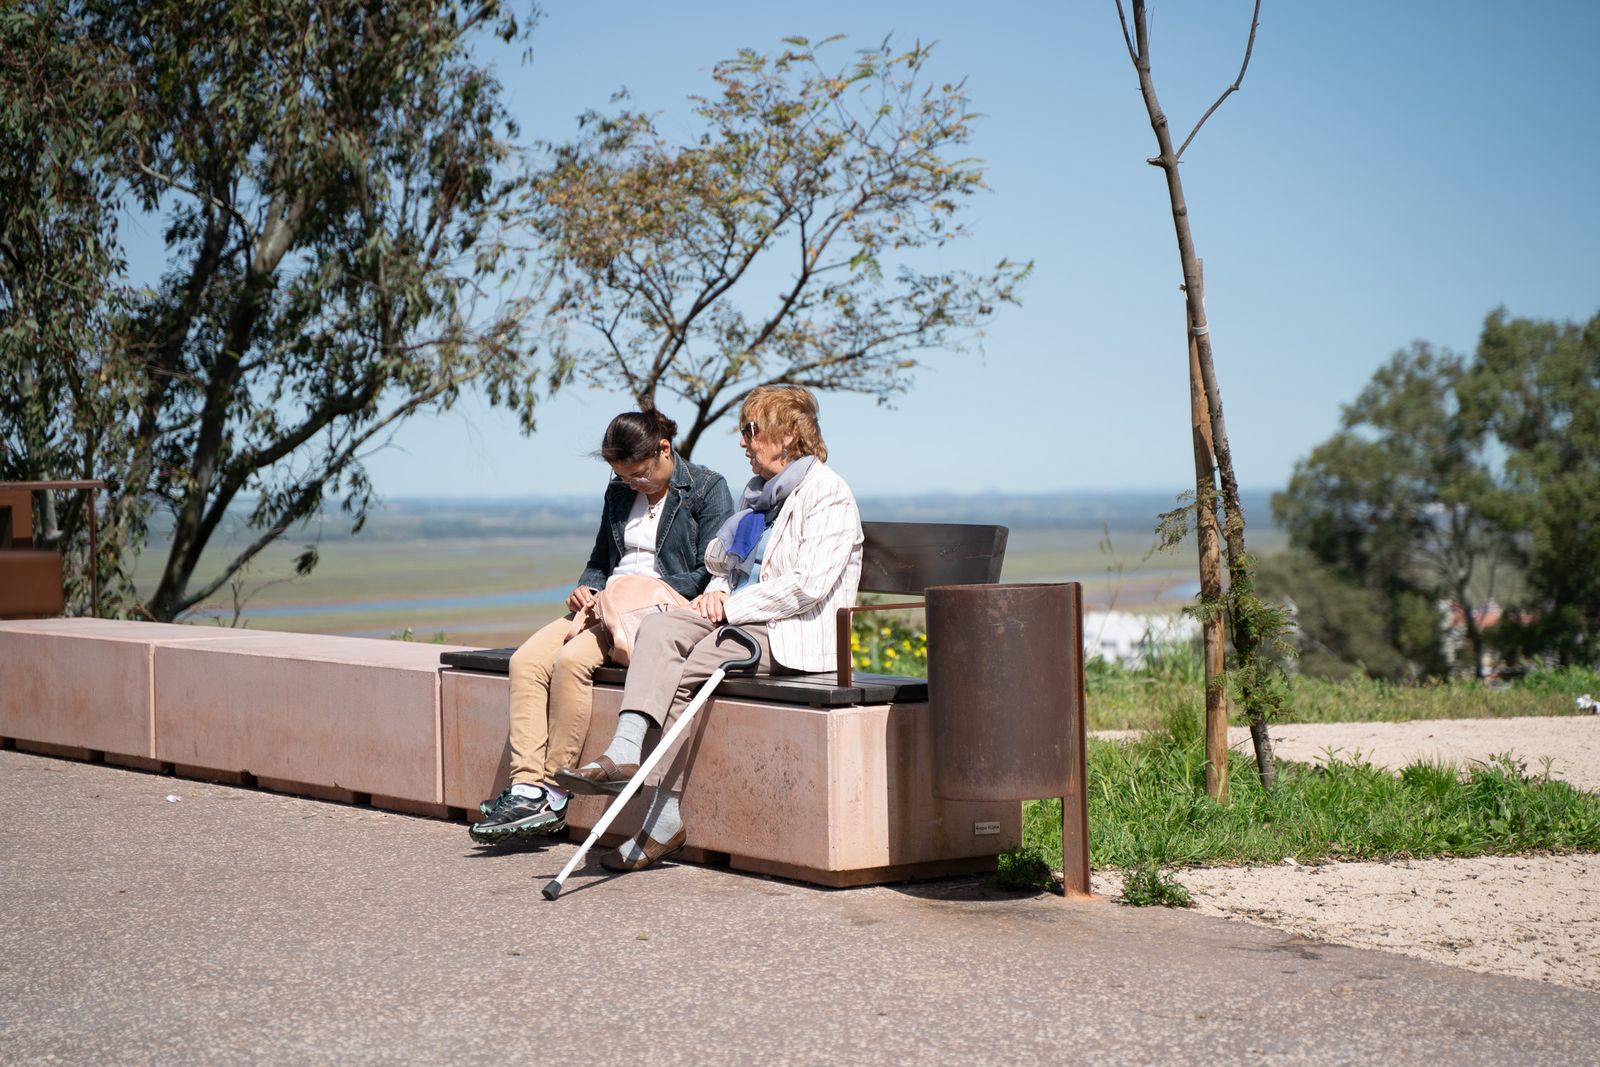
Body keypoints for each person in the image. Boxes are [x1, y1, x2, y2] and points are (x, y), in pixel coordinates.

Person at [556, 384, 862, 871]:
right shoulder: (761, 495)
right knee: (659, 630)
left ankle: (661, 819)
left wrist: (730, 604)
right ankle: (624, 750)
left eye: (751, 430)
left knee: (689, 666)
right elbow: (722, 563)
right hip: (740, 616)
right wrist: (719, 582)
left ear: (787, 435)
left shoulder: (828, 494)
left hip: (787, 632)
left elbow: (806, 586)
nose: (743, 441)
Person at [470, 410, 732, 843]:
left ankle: (554, 794)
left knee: (571, 660)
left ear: (664, 449)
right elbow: (599, 561)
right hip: (603, 606)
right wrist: (587, 589)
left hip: (655, 611)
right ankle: (525, 788)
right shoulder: (618, 492)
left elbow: (708, 573)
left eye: (640, 474)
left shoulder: (707, 489)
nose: (634, 484)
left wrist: (629, 589)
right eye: (624, 477)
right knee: (526, 662)